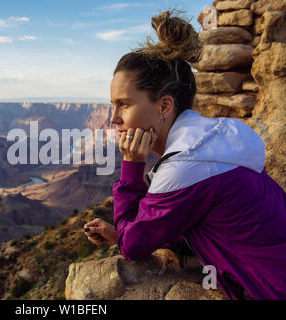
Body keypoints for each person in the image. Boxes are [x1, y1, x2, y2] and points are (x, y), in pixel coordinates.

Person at [83, 10, 286, 300]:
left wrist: (132, 165)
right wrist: (121, 231)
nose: (113, 118)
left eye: (123, 105)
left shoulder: (187, 167)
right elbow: (188, 219)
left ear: (165, 106)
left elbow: (132, 246)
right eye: (112, 105)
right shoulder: (215, 142)